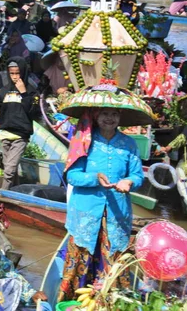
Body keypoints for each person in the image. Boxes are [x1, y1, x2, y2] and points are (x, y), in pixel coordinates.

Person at [59, 105, 144, 301]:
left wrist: (129, 181)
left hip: (117, 213)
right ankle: (70, 302)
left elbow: (137, 175)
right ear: (96, 116)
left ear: (120, 117)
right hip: (85, 212)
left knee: (115, 261)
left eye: (114, 114)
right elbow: (72, 176)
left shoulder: (128, 143)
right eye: (105, 113)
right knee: (79, 258)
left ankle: (111, 302)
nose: (109, 118)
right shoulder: (84, 141)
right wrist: (95, 178)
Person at [0, 57, 38, 189]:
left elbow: (33, 112)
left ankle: (2, 196)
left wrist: (23, 92)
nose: (15, 77)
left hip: (20, 136)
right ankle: (16, 193)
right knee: (10, 169)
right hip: (5, 135)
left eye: (17, 73)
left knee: (9, 171)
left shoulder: (31, 91)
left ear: (23, 72)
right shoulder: (4, 92)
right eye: (11, 73)